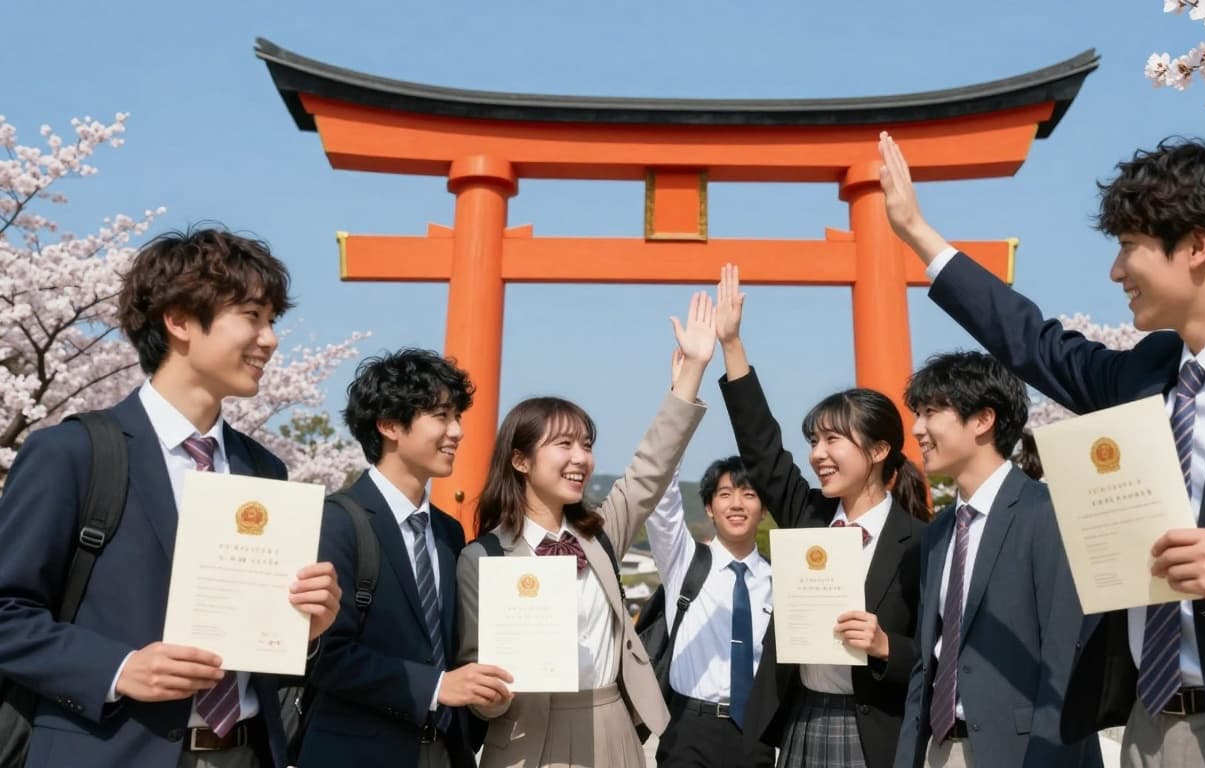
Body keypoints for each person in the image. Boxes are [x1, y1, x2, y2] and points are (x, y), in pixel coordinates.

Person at [877, 132, 1205, 768]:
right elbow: (1033, 344)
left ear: (1198, 246)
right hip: (1146, 729)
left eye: (1129, 247)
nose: (1116, 271)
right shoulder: (1147, 373)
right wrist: (918, 236)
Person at [0, 228, 341, 768]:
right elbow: (7, 613)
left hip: (246, 752)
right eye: (252, 316)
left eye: (272, 319)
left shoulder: (264, 470)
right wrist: (118, 668)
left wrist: (306, 630)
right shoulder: (73, 453)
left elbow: (261, 649)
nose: (271, 338)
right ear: (179, 319)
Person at [455, 291, 716, 767]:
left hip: (610, 725)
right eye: (564, 444)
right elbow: (476, 670)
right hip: (523, 738)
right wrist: (487, 696)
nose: (581, 458)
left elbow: (649, 468)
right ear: (520, 460)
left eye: (587, 444)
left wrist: (692, 372)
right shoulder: (483, 558)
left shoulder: (601, 534)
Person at [714, 264, 929, 768]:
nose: (818, 454)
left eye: (833, 439)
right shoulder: (808, 514)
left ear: (878, 451)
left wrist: (882, 646)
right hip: (801, 718)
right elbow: (762, 447)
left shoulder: (919, 541)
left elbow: (933, 655)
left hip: (872, 727)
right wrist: (732, 345)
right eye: (814, 440)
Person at [297, 348, 514, 767]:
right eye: (441, 416)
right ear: (390, 424)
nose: (457, 432)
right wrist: (437, 687)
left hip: (445, 751)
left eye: (458, 418)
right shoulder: (337, 521)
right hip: (356, 753)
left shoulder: (448, 531)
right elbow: (325, 654)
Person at [894, 351, 1100, 768]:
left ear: (983, 420)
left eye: (931, 412)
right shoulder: (938, 532)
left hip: (1023, 753)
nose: (917, 429)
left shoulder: (1048, 513)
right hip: (938, 750)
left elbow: (1066, 662)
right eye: (917, 413)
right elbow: (925, 664)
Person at [645, 396, 775, 768]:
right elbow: (662, 500)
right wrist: (681, 401)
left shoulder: (778, 580)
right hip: (690, 727)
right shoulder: (684, 561)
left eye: (749, 494)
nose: (737, 504)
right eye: (725, 494)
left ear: (763, 509)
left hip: (755, 731)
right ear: (708, 507)